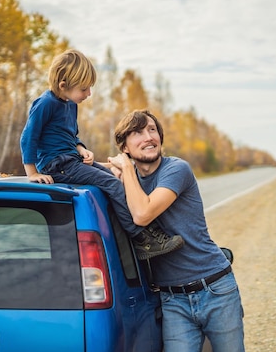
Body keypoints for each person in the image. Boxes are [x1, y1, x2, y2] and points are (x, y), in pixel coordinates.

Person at [107, 109, 247, 352]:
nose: (148, 137)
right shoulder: (129, 179)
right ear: (124, 147)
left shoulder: (176, 169)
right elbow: (86, 171)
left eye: (152, 130)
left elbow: (142, 214)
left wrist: (125, 170)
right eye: (137, 133)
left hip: (215, 289)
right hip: (173, 301)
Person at [19, 49, 183, 260]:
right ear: (63, 85)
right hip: (57, 165)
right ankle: (141, 240)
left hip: (72, 160)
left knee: (117, 177)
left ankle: (147, 230)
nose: (88, 94)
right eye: (84, 89)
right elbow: (28, 137)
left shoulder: (70, 104)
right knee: (112, 185)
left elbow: (71, 135)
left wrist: (81, 149)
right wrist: (32, 173)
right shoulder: (45, 103)